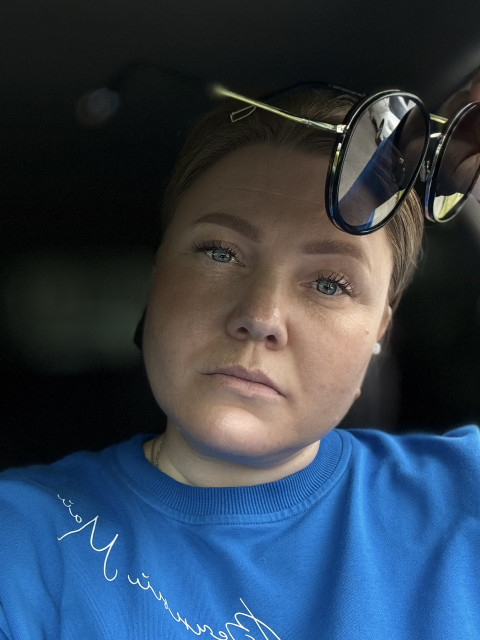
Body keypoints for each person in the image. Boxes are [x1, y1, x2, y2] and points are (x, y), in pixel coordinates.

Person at [0, 76, 479, 640]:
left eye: (329, 283)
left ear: (381, 331)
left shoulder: (463, 496)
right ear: (158, 279)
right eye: (220, 253)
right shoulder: (19, 537)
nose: (261, 315)